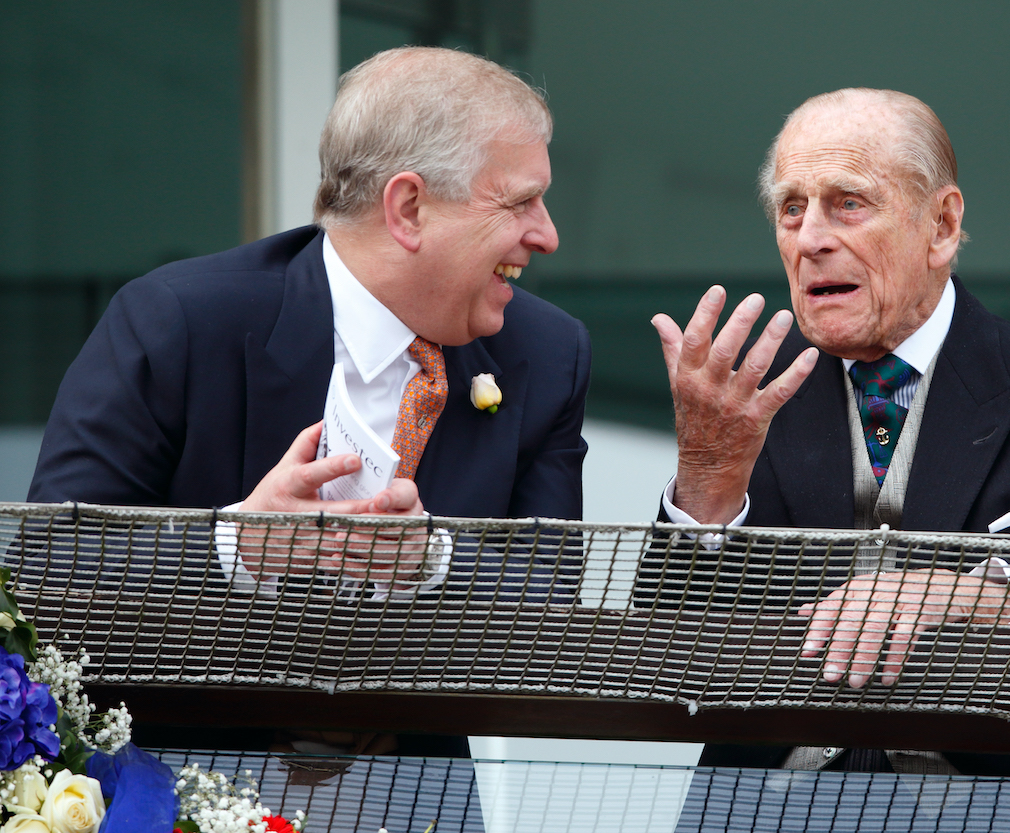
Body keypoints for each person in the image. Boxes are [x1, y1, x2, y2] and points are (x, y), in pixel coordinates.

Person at [26, 47, 590, 755]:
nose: (547, 234)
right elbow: (49, 570)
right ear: (409, 207)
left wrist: (432, 563)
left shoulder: (545, 353)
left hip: (418, 794)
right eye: (519, 202)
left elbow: (552, 597)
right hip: (183, 787)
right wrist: (235, 547)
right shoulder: (177, 321)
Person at [647, 88, 1010, 780]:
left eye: (849, 204)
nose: (810, 240)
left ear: (942, 226)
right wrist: (707, 479)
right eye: (791, 209)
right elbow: (665, 663)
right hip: (765, 810)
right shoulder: (743, 397)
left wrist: (973, 595)